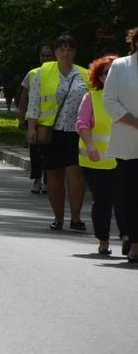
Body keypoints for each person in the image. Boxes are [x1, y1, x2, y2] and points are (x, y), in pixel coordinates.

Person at [26, 34, 89, 232]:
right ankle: (58, 217)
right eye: (61, 49)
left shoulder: (85, 74)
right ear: (55, 52)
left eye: (69, 49)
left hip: (76, 132)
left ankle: (76, 218)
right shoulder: (43, 72)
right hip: (51, 131)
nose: (65, 53)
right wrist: (31, 128)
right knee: (54, 175)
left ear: (75, 52)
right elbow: (34, 101)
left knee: (76, 174)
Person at [77, 55, 121, 256]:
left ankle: (128, 238)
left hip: (124, 158)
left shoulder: (130, 98)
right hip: (96, 160)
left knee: (125, 200)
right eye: (108, 72)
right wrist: (90, 145)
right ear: (100, 77)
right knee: (103, 200)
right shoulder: (91, 98)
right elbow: (82, 124)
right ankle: (103, 240)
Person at [102, 26, 138, 262]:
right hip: (128, 141)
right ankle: (134, 243)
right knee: (130, 195)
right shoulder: (121, 66)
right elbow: (109, 100)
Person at [18, 45, 56, 193]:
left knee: (49, 152)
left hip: (51, 119)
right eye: (43, 55)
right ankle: (37, 180)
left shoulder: (58, 74)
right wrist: (21, 118)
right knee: (34, 152)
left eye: (48, 55)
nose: (45, 58)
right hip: (34, 119)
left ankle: (48, 181)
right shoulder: (33, 73)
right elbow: (24, 97)